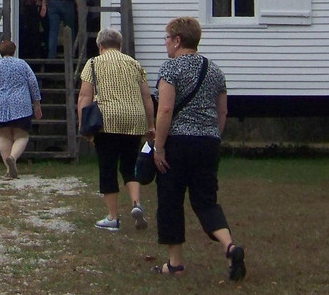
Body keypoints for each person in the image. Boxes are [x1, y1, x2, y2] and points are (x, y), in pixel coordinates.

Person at [151, 16, 246, 281]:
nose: (165, 44)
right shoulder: (216, 71)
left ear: (178, 40)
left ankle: (175, 263)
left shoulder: (170, 69)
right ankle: (230, 246)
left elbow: (166, 109)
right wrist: (212, 135)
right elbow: (223, 111)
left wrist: (158, 147)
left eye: (167, 38)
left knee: (170, 201)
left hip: (177, 144)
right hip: (208, 143)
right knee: (206, 201)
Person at [77, 26, 155, 231]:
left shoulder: (93, 63)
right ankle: (136, 204)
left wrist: (83, 125)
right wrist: (151, 124)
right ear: (120, 45)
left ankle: (112, 217)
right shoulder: (134, 64)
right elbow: (146, 96)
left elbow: (85, 96)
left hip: (107, 120)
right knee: (129, 167)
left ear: (100, 46)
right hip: (134, 119)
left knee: (108, 168)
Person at [0, 40, 43, 179]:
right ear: (14, 51)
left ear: (0, 52)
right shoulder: (22, 65)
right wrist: (36, 104)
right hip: (20, 104)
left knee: (4, 137)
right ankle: (13, 157)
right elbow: (33, 84)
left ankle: (8, 170)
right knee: (22, 136)